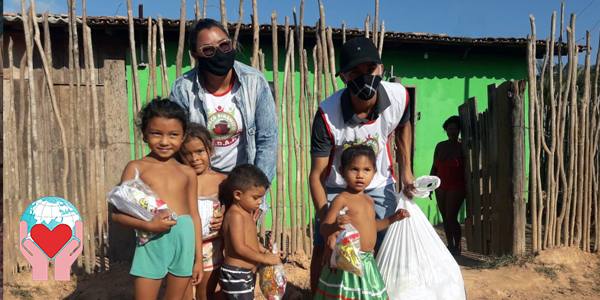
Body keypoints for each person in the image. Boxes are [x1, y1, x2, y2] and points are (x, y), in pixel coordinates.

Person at [309, 36, 415, 291]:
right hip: (337, 187)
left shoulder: (398, 97)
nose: (365, 77)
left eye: (370, 69)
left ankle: (372, 291)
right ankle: (318, 293)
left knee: (381, 242)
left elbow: (403, 126)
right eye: (355, 72)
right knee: (325, 249)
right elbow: (317, 175)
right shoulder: (327, 114)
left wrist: (407, 170)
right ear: (343, 77)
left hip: (379, 185)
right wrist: (328, 223)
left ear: (380, 68)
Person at [170, 17, 277, 194]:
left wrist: (256, 193)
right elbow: (177, 140)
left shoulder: (255, 82)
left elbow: (267, 140)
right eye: (208, 50)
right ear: (195, 55)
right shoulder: (183, 88)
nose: (219, 53)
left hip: (244, 184)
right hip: (200, 183)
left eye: (224, 45)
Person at [111, 99, 203, 300]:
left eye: (173, 135)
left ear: (183, 137)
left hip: (184, 240)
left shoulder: (187, 172)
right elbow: (117, 215)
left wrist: (198, 259)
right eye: (156, 133)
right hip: (151, 242)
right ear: (144, 134)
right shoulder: (136, 168)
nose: (164, 141)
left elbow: (194, 216)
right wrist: (150, 225)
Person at [316, 145, 410, 300]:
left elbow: (373, 226)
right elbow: (323, 228)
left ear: (374, 172)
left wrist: (393, 218)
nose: (360, 175)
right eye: (354, 169)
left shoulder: (369, 200)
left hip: (367, 262)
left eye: (366, 170)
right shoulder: (342, 199)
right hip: (347, 262)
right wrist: (334, 226)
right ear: (342, 171)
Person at [218, 164, 282, 300]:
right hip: (236, 274)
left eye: (261, 198)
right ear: (237, 195)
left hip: (244, 273)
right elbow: (239, 247)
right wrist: (264, 258)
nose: (260, 202)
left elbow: (251, 239)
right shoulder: (236, 215)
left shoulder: (246, 213)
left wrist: (264, 251)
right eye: (255, 198)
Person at [179, 123, 227, 300]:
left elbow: (233, 210)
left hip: (211, 246)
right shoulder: (178, 181)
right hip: (184, 246)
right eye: (187, 154)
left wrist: (223, 219)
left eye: (199, 151)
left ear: (210, 150)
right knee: (183, 291)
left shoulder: (222, 181)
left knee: (204, 293)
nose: (194, 158)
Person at [430, 115, 466, 255]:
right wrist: (430, 186)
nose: (452, 132)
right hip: (440, 186)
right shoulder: (440, 146)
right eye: (449, 129)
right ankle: (450, 245)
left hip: (456, 186)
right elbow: (434, 167)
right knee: (445, 217)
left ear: (459, 131)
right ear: (446, 130)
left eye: (455, 129)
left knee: (451, 216)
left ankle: (458, 246)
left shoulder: (463, 147)